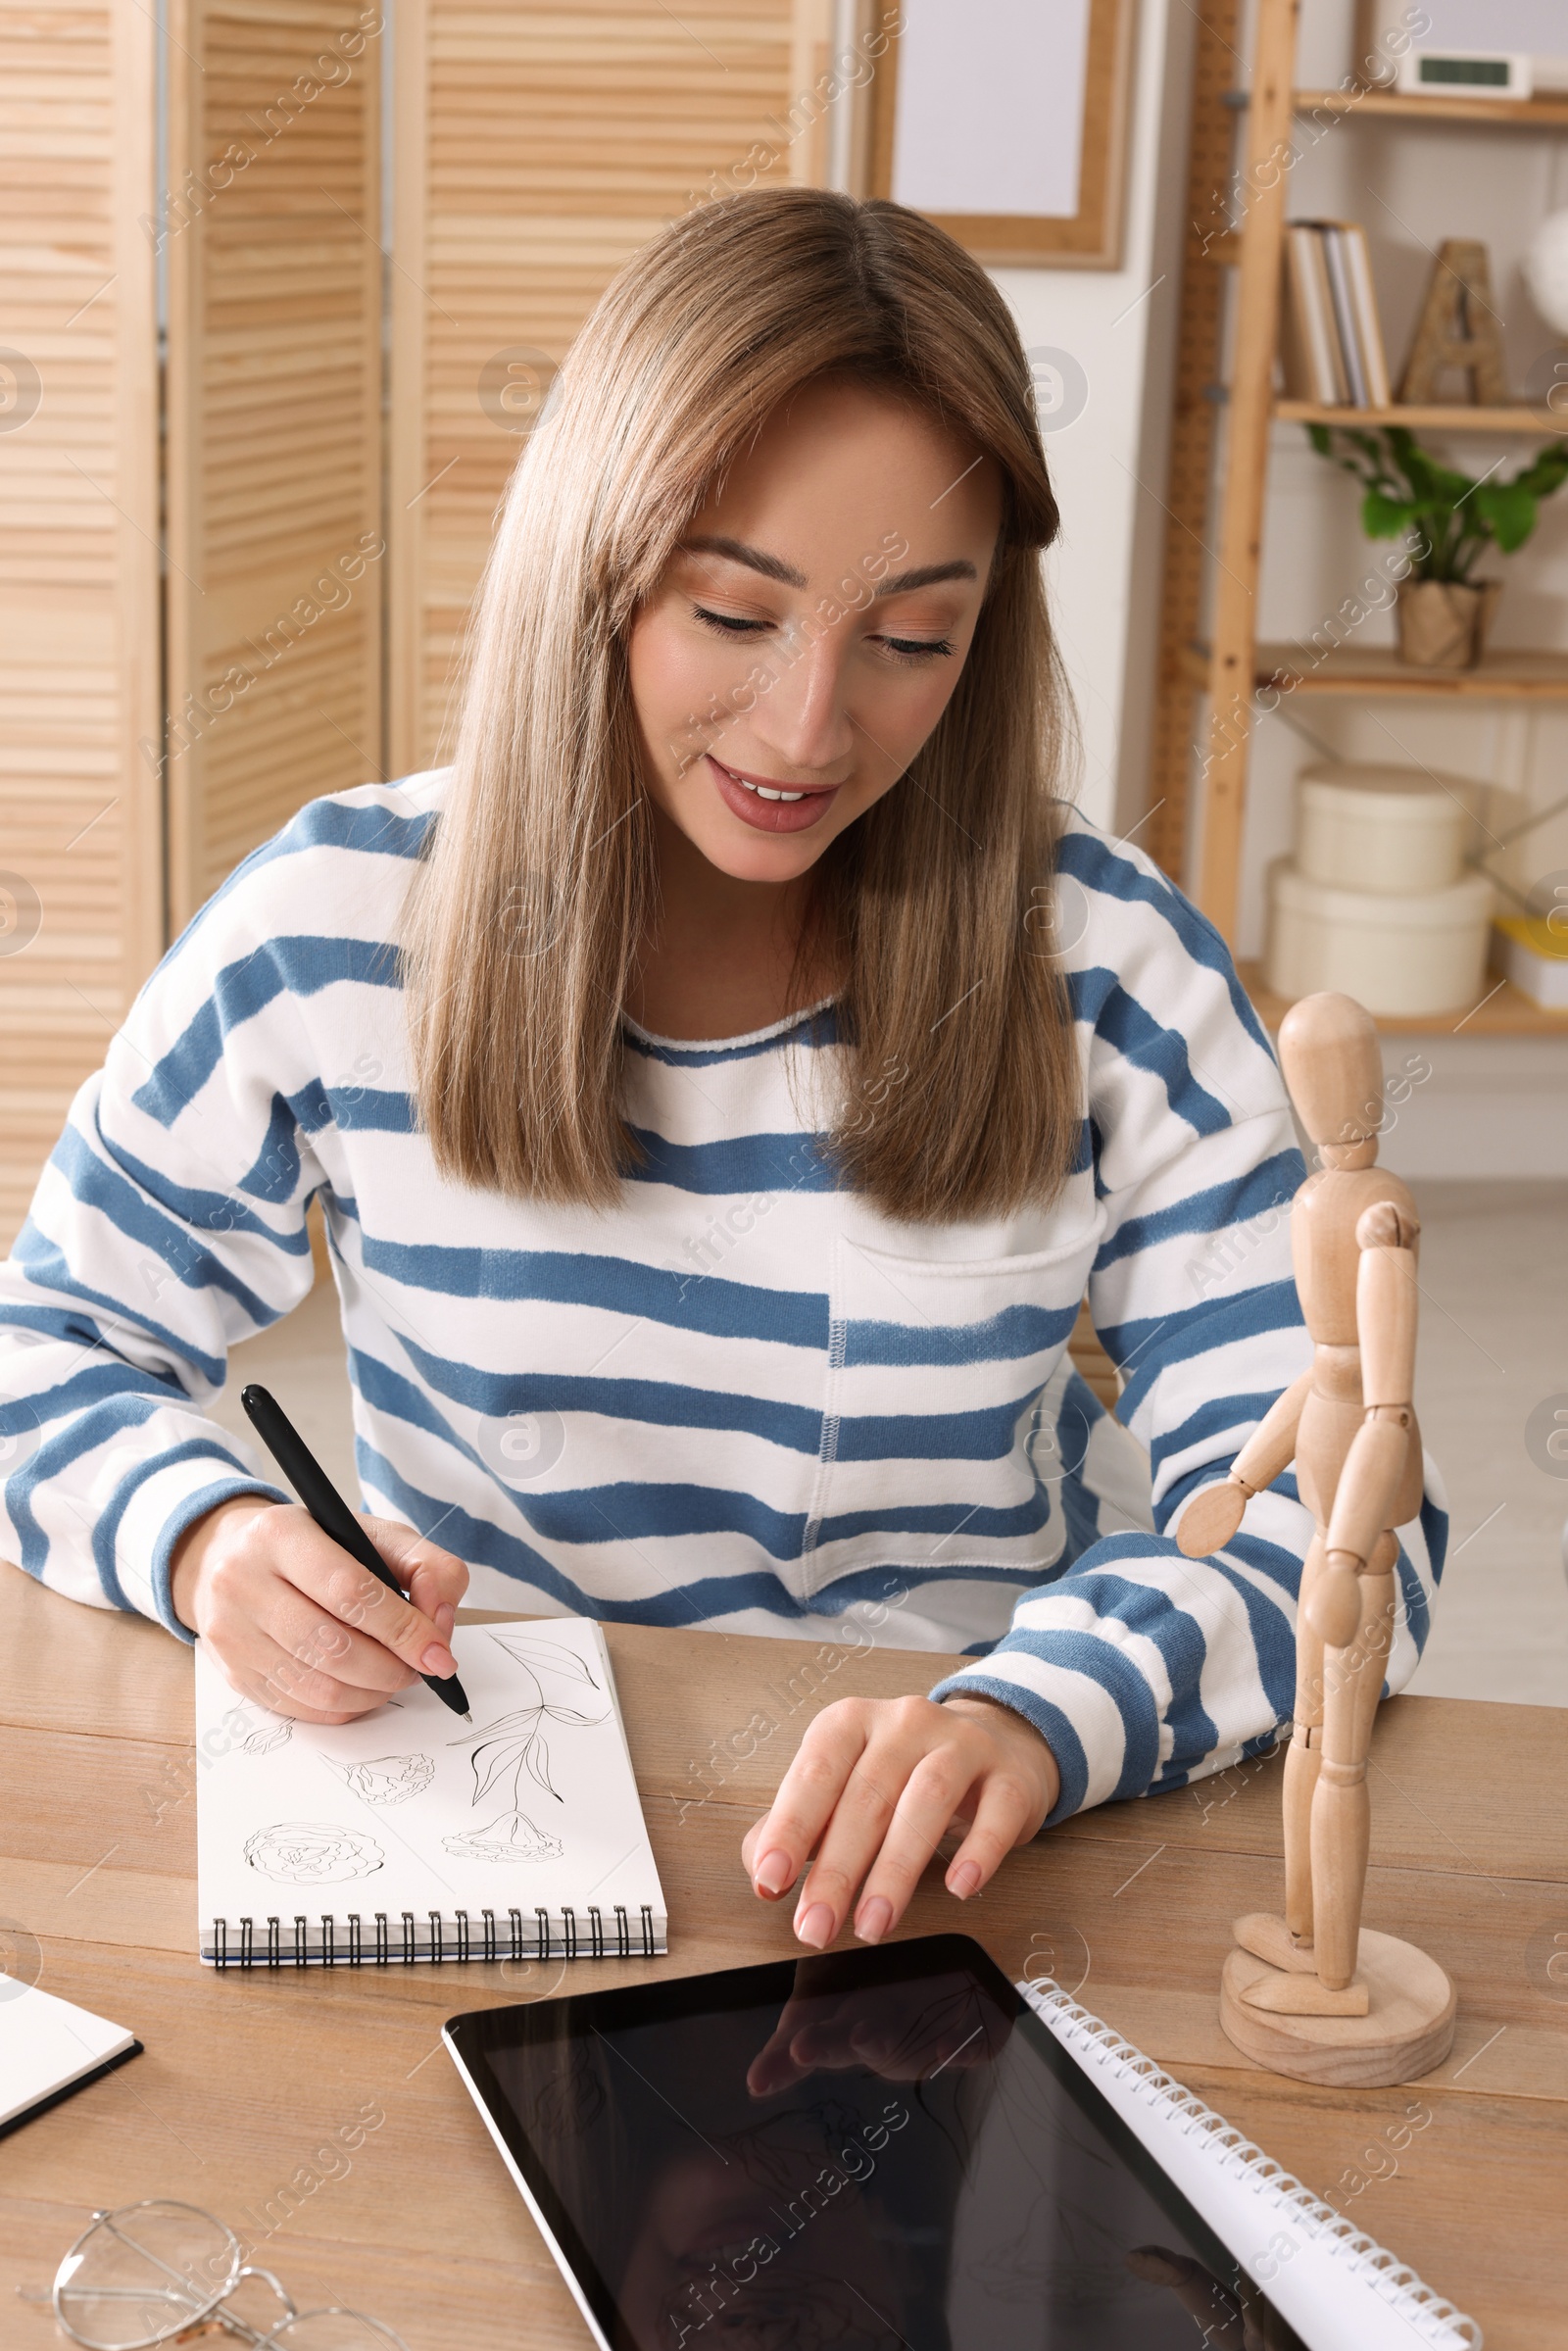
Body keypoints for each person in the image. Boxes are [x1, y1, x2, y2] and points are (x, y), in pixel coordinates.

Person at [0, 189, 1446, 1961]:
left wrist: (1037, 1713)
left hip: (953, 1862)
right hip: (476, 1839)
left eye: (914, 638)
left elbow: (1360, 1510)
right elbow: (47, 1345)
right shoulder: (330, 926)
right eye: (733, 614)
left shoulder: (1105, 962)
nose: (807, 727)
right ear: (593, 569)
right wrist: (211, 1537)